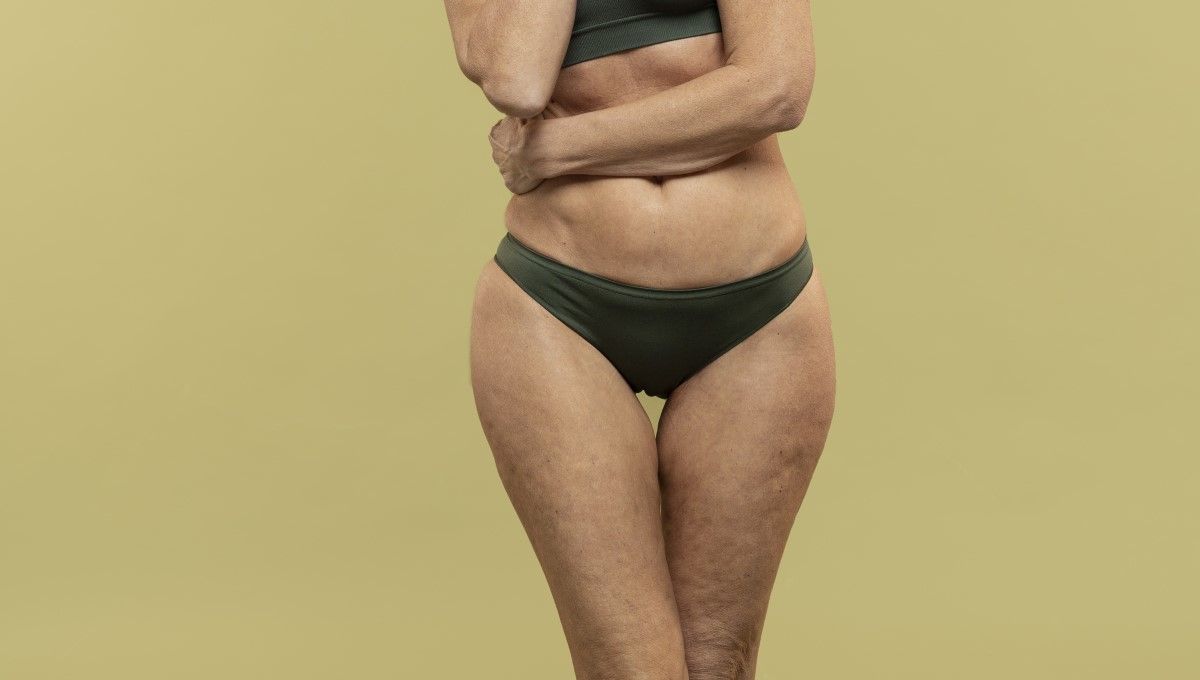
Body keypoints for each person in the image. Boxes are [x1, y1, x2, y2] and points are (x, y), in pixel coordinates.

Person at [442, 1, 836, 677]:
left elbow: (775, 88)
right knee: (626, 669)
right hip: (557, 308)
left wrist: (562, 148)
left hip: (757, 315)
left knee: (719, 663)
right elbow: (517, 79)